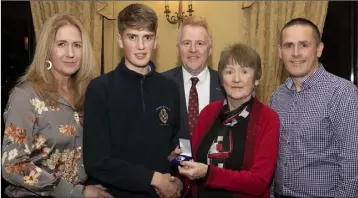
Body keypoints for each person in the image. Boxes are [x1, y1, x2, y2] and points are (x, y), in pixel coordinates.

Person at [1, 13, 112, 197]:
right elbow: (13, 166)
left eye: (77, 45)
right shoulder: (25, 96)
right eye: (61, 44)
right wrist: (76, 192)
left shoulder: (89, 93)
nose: (70, 53)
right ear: (47, 50)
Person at [82, 3, 183, 198]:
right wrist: (152, 178)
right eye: (132, 37)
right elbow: (97, 162)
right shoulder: (100, 89)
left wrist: (178, 177)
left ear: (156, 41)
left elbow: (173, 146)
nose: (141, 46)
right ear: (120, 40)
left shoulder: (169, 88)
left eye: (147, 37)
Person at [270, 18, 358, 198]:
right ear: (280, 52)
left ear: (319, 49)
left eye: (304, 45)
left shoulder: (343, 93)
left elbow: (352, 163)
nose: (295, 53)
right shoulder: (276, 98)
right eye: (288, 46)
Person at [178, 43, 280, 198]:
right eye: (229, 72)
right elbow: (192, 159)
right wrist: (177, 160)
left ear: (256, 79)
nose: (236, 79)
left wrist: (208, 173)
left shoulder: (268, 118)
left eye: (244, 71)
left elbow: (259, 182)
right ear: (221, 78)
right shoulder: (208, 112)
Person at [163, 16, 225, 138]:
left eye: (200, 43)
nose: (193, 49)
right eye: (186, 43)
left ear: (210, 50)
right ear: (178, 48)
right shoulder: (161, 84)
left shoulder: (226, 85)